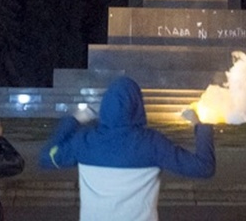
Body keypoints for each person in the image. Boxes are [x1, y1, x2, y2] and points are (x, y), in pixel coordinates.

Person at [39, 75, 215, 221]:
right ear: (138, 106)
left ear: (105, 105)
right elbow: (204, 167)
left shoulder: (85, 141)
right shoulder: (152, 143)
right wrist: (200, 126)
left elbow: (47, 157)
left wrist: (73, 121)